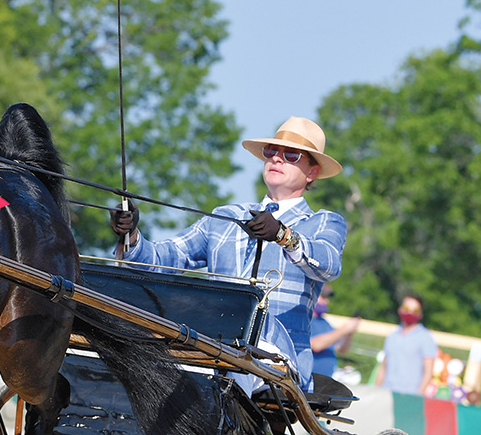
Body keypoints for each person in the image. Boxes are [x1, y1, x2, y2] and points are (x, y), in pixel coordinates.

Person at [109, 116, 347, 393]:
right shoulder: (226, 216)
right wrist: (131, 235)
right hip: (211, 344)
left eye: (291, 154)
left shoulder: (323, 222)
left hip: (278, 357)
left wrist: (284, 235)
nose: (277, 159)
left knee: (224, 377)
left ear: (312, 173)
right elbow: (168, 258)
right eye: (272, 152)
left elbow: (328, 264)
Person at [375, 295, 438, 395]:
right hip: (386, 392)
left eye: (415, 310)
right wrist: (376, 390)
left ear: (420, 314)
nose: (410, 313)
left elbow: (428, 372)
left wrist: (417, 396)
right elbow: (383, 367)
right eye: (407, 309)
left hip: (408, 396)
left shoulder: (426, 338)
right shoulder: (392, 335)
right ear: (400, 310)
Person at [309, 285, 361, 377]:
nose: (326, 301)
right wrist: (344, 329)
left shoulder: (325, 323)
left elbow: (341, 349)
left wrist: (349, 333)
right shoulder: (306, 321)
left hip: (325, 380)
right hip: (310, 378)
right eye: (323, 297)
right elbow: (315, 345)